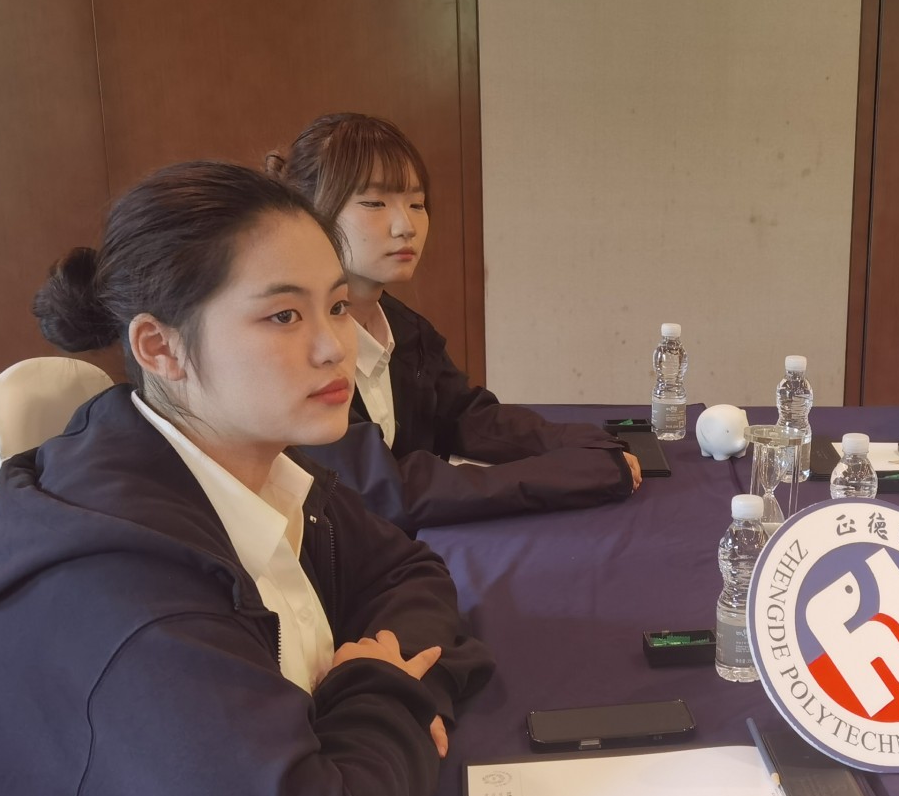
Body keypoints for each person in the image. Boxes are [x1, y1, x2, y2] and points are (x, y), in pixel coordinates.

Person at [0, 161, 495, 796]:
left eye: (337, 306)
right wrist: (383, 693)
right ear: (159, 347)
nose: (331, 345)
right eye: (282, 315)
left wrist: (364, 695)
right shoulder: (121, 590)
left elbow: (408, 571)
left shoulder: (252, 464)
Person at [266, 113, 640, 533]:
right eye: (374, 203)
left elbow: (464, 415)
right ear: (309, 213)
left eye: (417, 204)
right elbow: (390, 492)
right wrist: (571, 473)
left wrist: (582, 444)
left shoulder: (404, 326)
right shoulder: (299, 352)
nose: (406, 226)